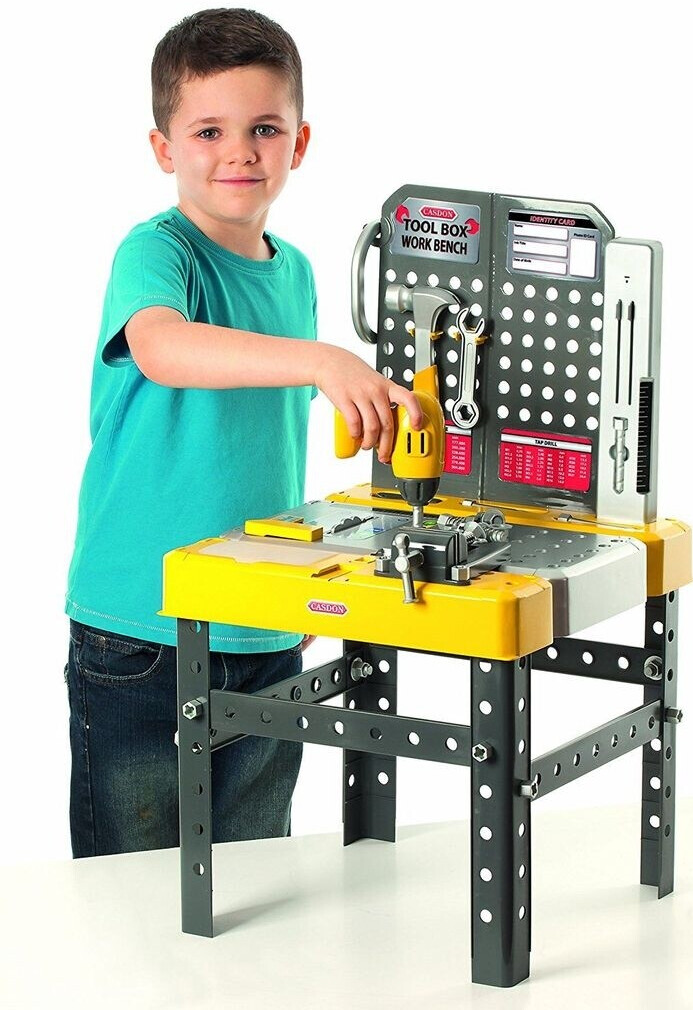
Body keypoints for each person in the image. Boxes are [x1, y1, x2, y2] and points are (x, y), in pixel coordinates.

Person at [64, 7, 421, 858]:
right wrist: (323, 360)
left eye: (265, 128)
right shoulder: (157, 253)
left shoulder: (296, 272)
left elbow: (269, 452)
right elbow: (163, 347)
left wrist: (292, 592)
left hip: (260, 618)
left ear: (300, 143)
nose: (240, 152)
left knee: (256, 864)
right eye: (209, 131)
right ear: (165, 149)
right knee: (134, 879)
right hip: (142, 627)